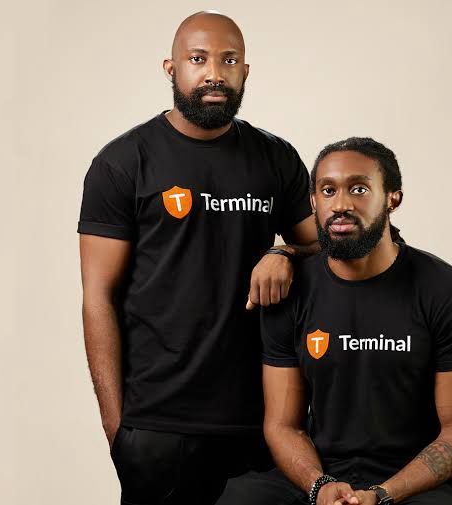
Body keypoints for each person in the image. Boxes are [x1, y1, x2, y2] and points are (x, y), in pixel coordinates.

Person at [77, 11, 318, 505]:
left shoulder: (275, 158)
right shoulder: (123, 163)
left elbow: (326, 248)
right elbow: (98, 297)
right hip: (159, 424)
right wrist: (117, 428)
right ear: (171, 68)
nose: (214, 73)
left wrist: (286, 252)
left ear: (245, 71)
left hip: (260, 420)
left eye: (228, 60)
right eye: (198, 59)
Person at [217, 137, 452, 505]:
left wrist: (383, 494)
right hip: (322, 472)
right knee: (239, 498)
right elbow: (283, 425)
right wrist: (319, 485)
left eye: (359, 189)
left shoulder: (448, 291)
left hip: (411, 482)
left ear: (393, 198)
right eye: (328, 190)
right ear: (313, 202)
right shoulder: (292, 291)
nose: (341, 204)